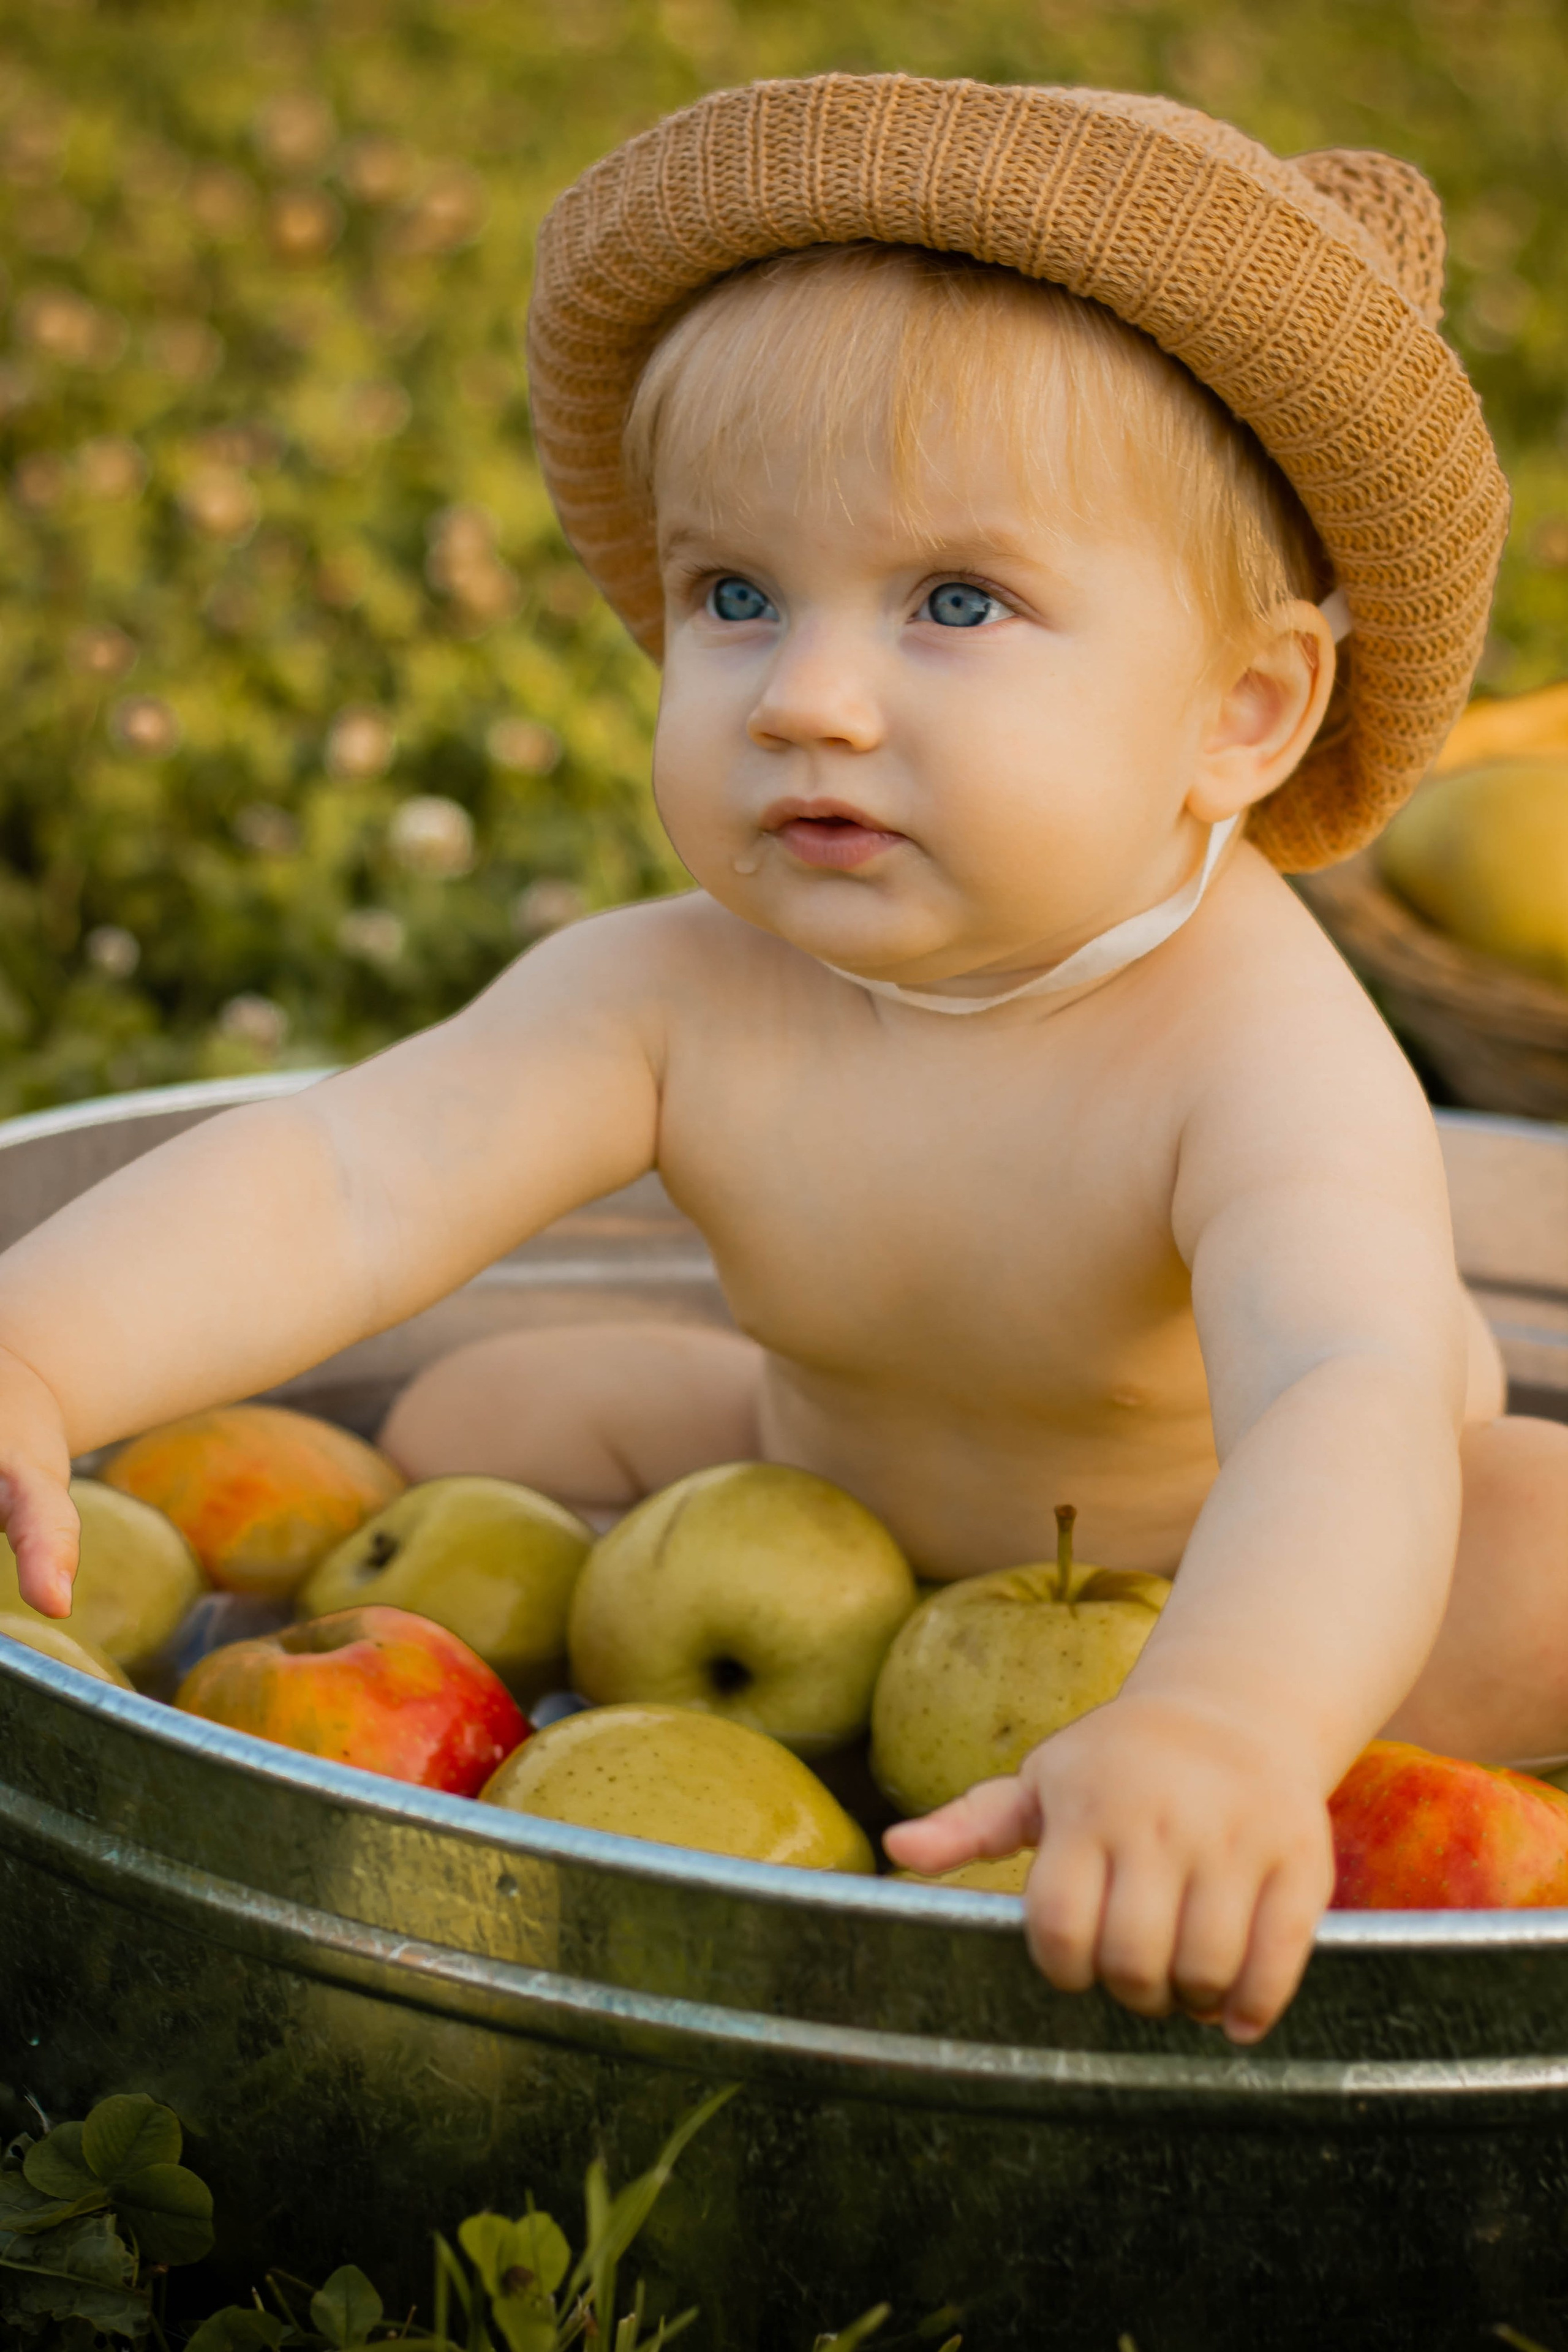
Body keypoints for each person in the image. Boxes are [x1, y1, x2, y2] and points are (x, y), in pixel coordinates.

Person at [1, 77, 1562, 2045]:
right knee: (493, 1404)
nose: (808, 699)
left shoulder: (1259, 1056)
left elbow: (1340, 1389)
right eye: (734, 596)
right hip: (825, 1519)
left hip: (1242, 1576)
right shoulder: (680, 986)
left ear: (1242, 712)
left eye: (957, 604)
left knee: (1541, 1540)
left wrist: (1231, 1718)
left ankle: (1205, 1797)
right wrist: (42, 1343)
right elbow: (349, 1178)